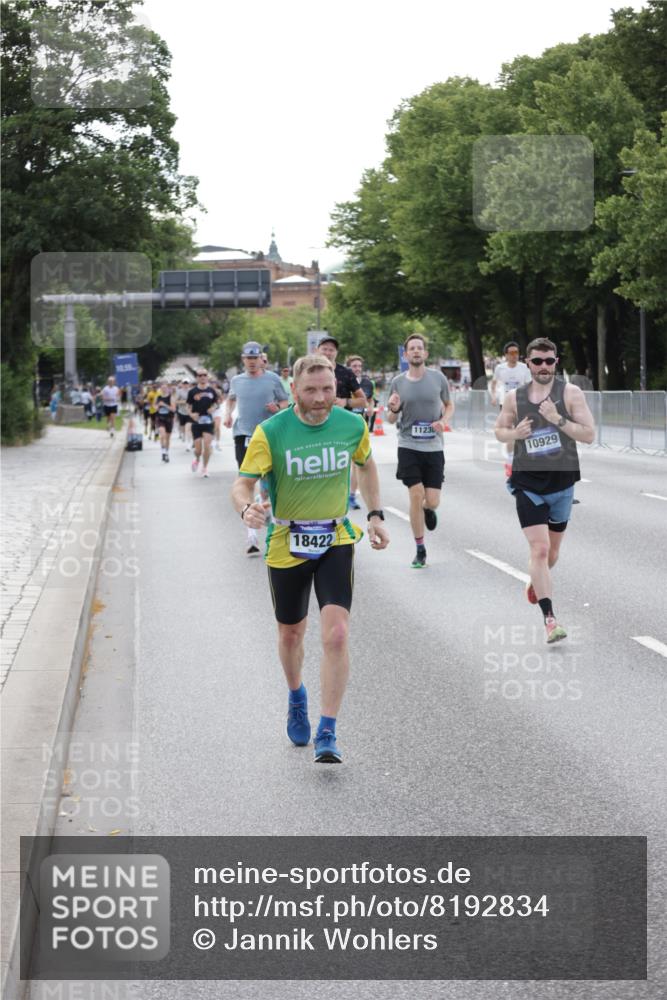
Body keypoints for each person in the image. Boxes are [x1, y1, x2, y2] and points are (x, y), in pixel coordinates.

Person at [230, 353, 390, 764]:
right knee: (291, 634)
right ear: (294, 390)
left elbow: (367, 466)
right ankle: (297, 694)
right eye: (311, 391)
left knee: (336, 634)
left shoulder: (352, 424)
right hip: (287, 540)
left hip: (336, 537)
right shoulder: (272, 432)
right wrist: (246, 508)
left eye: (327, 390)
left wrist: (374, 515)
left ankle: (328, 730)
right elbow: (242, 485)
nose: (320, 399)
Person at [494, 337, 595, 644]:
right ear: (527, 363)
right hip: (527, 484)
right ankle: (550, 620)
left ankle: (536, 581)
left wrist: (557, 419)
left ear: (556, 362)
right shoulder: (515, 397)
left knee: (551, 554)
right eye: (537, 361)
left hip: (563, 483)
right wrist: (515, 433)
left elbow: (589, 434)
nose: (543, 366)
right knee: (538, 550)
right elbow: (499, 431)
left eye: (549, 361)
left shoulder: (571, 393)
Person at [386, 334, 454, 568]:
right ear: (405, 355)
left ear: (425, 354)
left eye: (420, 348)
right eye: (411, 349)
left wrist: (443, 420)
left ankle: (429, 509)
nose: (416, 351)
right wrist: (393, 408)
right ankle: (420, 548)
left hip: (434, 446)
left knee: (432, 500)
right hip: (408, 444)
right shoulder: (397, 382)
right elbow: (390, 417)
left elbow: (449, 404)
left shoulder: (438, 378)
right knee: (415, 494)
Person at [224, 341, 290, 555]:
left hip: (268, 435)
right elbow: (231, 400)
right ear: (243, 359)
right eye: (248, 358)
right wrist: (227, 414)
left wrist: (275, 408)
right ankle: (252, 535)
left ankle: (272, 522)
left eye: (255, 358)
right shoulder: (236, 380)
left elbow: (285, 404)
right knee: (246, 481)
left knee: (268, 483)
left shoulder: (273, 379)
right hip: (243, 435)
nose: (251, 362)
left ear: (261, 359)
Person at [316, 335, 367, 510]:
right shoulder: (309, 370)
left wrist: (346, 402)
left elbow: (363, 400)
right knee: (319, 463)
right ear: (318, 350)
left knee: (342, 464)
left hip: (340, 426)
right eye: (325, 349)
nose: (328, 352)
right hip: (314, 426)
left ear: (336, 353)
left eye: (331, 349)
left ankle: (346, 497)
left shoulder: (346, 373)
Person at [489, 340, 532, 477]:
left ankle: (524, 460)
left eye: (517, 353)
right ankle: (510, 462)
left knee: (524, 432)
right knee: (510, 433)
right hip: (505, 404)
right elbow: (494, 383)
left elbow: (530, 385)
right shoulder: (500, 368)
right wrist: (494, 396)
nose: (514, 355)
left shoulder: (524, 368)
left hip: (522, 404)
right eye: (511, 353)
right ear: (506, 355)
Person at [346, 355, 375, 508]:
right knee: (346, 464)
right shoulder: (343, 382)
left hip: (361, 429)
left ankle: (351, 496)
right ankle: (345, 494)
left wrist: (370, 407)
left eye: (359, 366)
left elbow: (370, 399)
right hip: (344, 428)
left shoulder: (367, 383)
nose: (357, 369)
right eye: (354, 366)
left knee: (358, 464)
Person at [187, 369, 219, 478]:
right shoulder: (192, 392)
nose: (202, 377)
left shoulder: (211, 391)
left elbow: (216, 404)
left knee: (207, 445)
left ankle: (205, 468)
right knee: (198, 450)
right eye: (200, 375)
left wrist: (213, 408)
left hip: (208, 422)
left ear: (207, 376)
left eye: (204, 375)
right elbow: (188, 407)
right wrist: (191, 414)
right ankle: (196, 459)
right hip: (196, 423)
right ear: (197, 377)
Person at [155, 380, 176, 462]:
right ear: (160, 389)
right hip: (160, 419)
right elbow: (155, 407)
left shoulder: (171, 397)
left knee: (167, 438)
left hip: (169, 419)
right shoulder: (158, 397)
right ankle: (163, 452)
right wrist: (157, 406)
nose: (164, 389)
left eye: (165, 388)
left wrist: (164, 405)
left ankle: (166, 453)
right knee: (162, 435)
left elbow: (173, 409)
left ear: (168, 388)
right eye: (162, 388)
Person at [175, 379, 192, 449]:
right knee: (182, 427)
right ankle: (183, 435)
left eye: (187, 383)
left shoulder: (191, 391)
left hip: (189, 412)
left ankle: (188, 443)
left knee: (188, 428)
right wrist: (184, 402)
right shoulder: (179, 392)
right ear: (182, 384)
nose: (185, 385)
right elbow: (176, 401)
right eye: (184, 383)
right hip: (181, 412)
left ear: (189, 384)